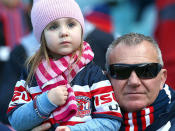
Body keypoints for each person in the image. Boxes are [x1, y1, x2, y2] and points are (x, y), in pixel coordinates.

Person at [7, 0, 122, 131]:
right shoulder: (31, 73)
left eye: (71, 24)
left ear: (81, 30)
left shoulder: (93, 74)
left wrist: (74, 130)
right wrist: (45, 102)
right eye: (53, 27)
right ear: (42, 35)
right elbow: (16, 122)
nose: (64, 32)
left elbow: (111, 121)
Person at [106, 33, 175, 130]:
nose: (134, 82)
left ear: (162, 79)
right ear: (107, 79)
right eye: (121, 71)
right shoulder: (83, 119)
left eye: (146, 71)